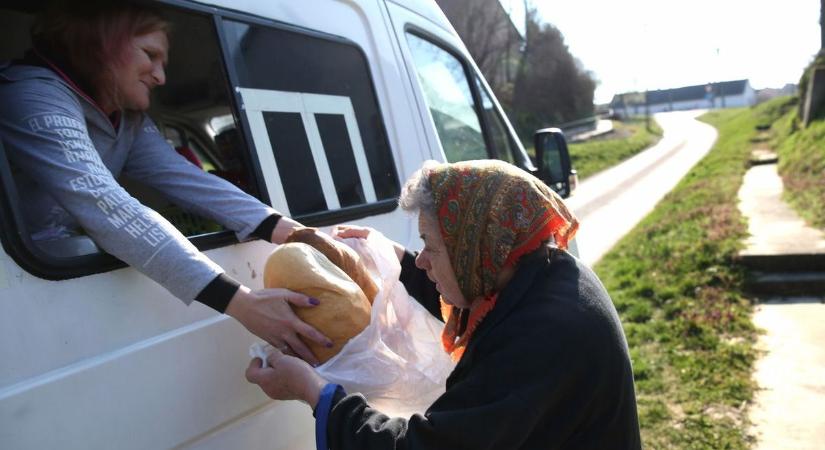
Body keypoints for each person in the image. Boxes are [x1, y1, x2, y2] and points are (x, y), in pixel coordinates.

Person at [0, 1, 331, 365]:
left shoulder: (125, 119)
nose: (160, 77)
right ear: (99, 42)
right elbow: (105, 204)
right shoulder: (31, 94)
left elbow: (189, 181)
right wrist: (241, 303)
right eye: (150, 55)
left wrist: (295, 232)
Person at [245, 159, 642, 449]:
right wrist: (392, 258)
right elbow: (470, 298)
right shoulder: (539, 274)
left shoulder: (544, 335)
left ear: (476, 249)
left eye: (431, 247)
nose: (422, 260)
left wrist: (316, 393)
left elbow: (430, 448)